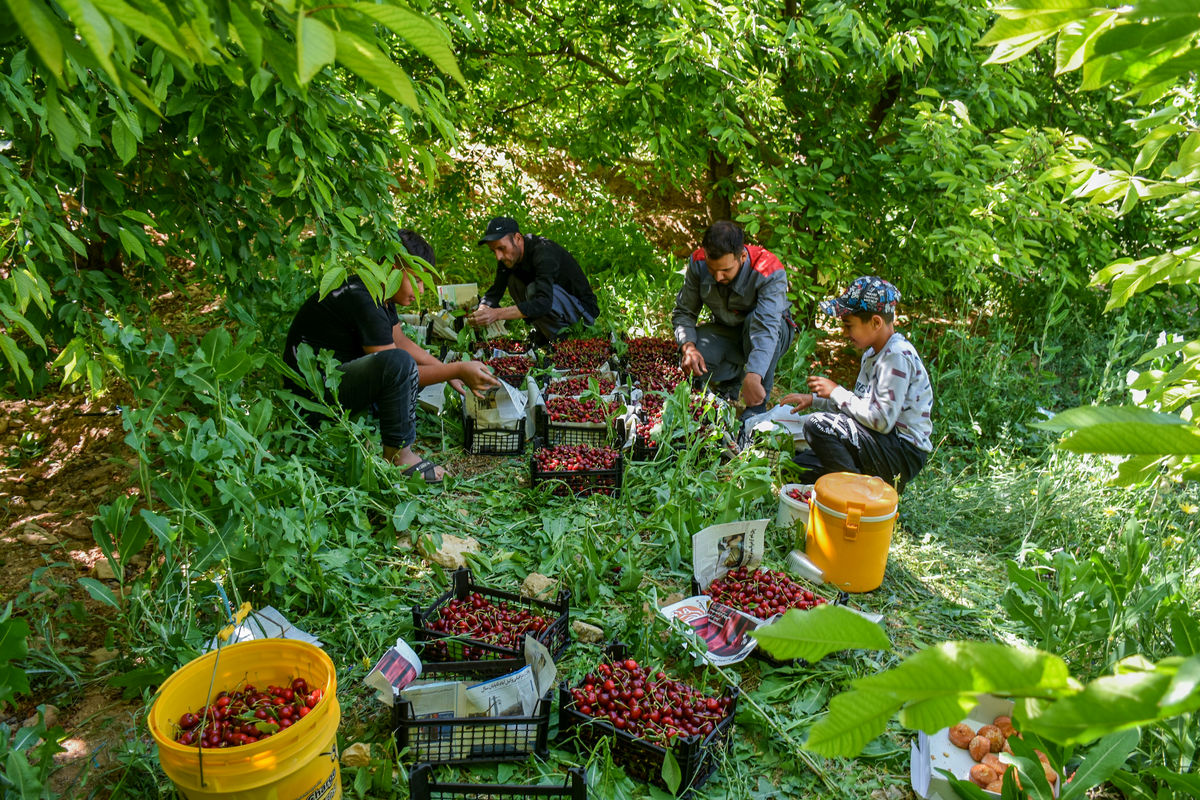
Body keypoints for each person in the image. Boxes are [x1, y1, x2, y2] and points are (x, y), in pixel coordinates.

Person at [282, 229, 500, 483]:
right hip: (315, 391)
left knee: (402, 362)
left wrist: (445, 369)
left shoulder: (380, 291)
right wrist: (456, 370)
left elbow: (400, 340)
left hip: (337, 376)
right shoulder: (363, 298)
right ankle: (400, 457)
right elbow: (396, 370)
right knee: (399, 364)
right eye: (417, 280)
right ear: (393, 267)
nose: (420, 289)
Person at [781, 276, 933, 493]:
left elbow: (880, 421)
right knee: (796, 468)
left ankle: (856, 494)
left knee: (817, 425)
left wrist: (836, 391)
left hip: (901, 451)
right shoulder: (872, 354)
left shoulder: (896, 356)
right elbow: (859, 407)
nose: (844, 333)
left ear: (875, 322)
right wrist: (814, 400)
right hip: (879, 441)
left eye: (848, 325)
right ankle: (851, 482)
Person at [671, 220, 796, 415]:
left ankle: (756, 406)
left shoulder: (768, 270)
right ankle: (731, 381)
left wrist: (754, 375)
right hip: (728, 330)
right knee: (696, 351)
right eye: (713, 270)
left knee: (759, 324)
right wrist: (688, 347)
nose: (718, 277)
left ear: (743, 256)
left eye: (726, 270)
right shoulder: (698, 262)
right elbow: (684, 312)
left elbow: (767, 328)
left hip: (769, 332)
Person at [467, 216, 600, 341]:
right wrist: (483, 309)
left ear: (518, 238)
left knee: (533, 290)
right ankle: (545, 333)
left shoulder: (543, 253)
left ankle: (562, 339)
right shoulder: (509, 258)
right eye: (494, 251)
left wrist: (496, 314)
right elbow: (495, 291)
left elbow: (543, 302)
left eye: (502, 248)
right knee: (514, 281)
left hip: (583, 314)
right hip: (556, 304)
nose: (498, 257)